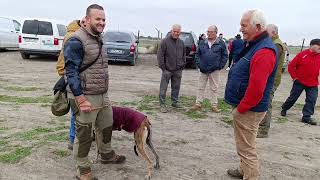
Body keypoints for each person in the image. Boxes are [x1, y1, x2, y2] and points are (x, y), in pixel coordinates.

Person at [64, 4, 125, 179]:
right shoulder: (76, 40)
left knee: (106, 125)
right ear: (87, 19)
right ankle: (82, 169)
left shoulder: (99, 38)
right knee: (84, 133)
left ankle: (105, 154)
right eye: (98, 19)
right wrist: (80, 99)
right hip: (84, 95)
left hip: (102, 94)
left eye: (104, 19)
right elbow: (71, 72)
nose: (102, 22)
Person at [224, 10, 278, 179]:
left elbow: (256, 89)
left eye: (244, 25)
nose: (240, 29)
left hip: (250, 109)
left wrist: (241, 109)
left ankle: (250, 175)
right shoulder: (254, 45)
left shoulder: (264, 51)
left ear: (258, 27)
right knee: (245, 144)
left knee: (247, 149)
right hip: (246, 107)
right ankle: (243, 170)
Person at [56, 19, 84, 150]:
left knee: (77, 111)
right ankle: (73, 140)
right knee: (76, 111)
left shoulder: (71, 34)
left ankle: (75, 138)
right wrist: (67, 76)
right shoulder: (74, 36)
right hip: (72, 77)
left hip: (70, 76)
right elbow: (66, 62)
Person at [281, 39, 320, 125]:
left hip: (313, 83)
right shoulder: (302, 55)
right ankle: (284, 108)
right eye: (319, 46)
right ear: (312, 45)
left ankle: (306, 117)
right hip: (300, 82)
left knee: (312, 100)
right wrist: (295, 78)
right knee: (293, 98)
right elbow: (291, 66)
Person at [190, 25, 228, 113]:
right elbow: (197, 54)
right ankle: (198, 103)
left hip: (214, 70)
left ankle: (214, 105)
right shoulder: (202, 42)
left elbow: (225, 55)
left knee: (214, 88)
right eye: (208, 32)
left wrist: (220, 66)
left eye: (211, 32)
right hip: (203, 69)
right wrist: (199, 64)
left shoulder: (221, 43)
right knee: (200, 87)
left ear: (216, 33)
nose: (209, 33)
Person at [257, 24, 286, 138]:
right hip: (269, 78)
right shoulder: (273, 43)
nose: (264, 34)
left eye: (267, 32)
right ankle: (260, 126)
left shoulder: (276, 45)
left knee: (266, 103)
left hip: (271, 80)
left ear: (274, 33)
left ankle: (263, 130)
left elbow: (270, 63)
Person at [157, 24, 186, 113]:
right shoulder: (164, 41)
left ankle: (174, 102)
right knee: (163, 88)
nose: (176, 33)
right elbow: (160, 56)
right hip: (167, 70)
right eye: (174, 31)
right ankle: (162, 104)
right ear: (171, 31)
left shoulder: (181, 42)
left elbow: (184, 55)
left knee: (176, 87)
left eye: (178, 32)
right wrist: (163, 68)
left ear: (180, 32)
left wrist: (182, 65)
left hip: (178, 70)